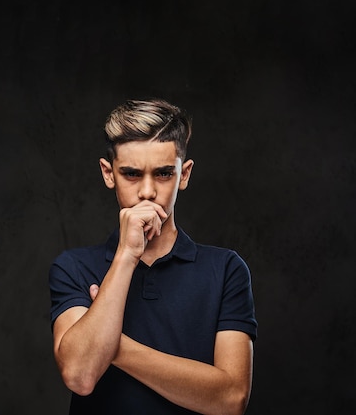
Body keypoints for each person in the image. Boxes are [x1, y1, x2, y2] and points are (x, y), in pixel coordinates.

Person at [48, 98, 257, 415]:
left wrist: (112, 345)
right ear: (109, 174)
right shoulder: (73, 267)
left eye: (162, 174)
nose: (147, 192)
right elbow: (80, 375)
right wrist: (127, 254)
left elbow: (231, 398)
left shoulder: (226, 269)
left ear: (183, 175)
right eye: (131, 174)